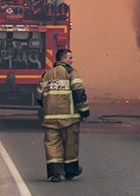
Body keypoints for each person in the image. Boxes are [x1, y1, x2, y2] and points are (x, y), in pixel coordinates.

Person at [35, 48, 90, 182]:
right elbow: (79, 93)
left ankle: (55, 173)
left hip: (50, 119)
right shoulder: (71, 73)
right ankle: (70, 172)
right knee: (70, 145)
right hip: (69, 119)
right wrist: (84, 112)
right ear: (63, 59)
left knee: (52, 145)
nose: (72, 60)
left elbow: (38, 96)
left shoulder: (46, 75)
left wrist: (48, 107)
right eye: (70, 58)